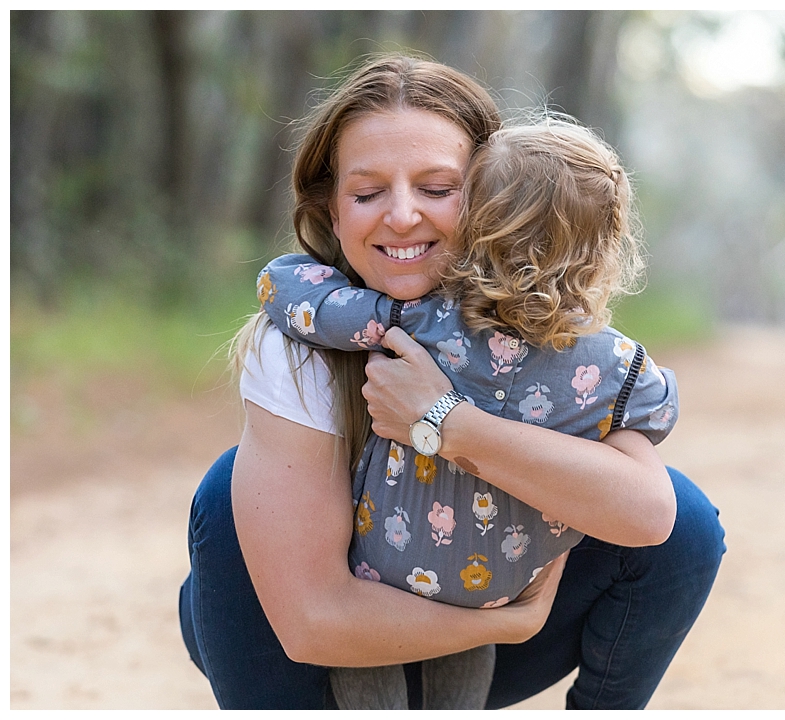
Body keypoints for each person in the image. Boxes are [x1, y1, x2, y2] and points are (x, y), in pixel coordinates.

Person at [179, 53, 726, 710]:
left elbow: (648, 513)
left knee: (686, 519)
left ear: (502, 195)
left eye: (439, 189)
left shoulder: (543, 332)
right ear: (330, 208)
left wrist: (446, 420)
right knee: (225, 493)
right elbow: (309, 623)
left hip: (496, 629)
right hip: (325, 652)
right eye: (367, 192)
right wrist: (504, 622)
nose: (403, 216)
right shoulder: (302, 341)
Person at [257, 117, 680, 708]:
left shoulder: (425, 321)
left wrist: (278, 276)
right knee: (466, 678)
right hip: (499, 585)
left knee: (362, 675)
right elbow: (659, 411)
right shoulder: (616, 365)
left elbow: (304, 301)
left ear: (480, 225)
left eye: (438, 191)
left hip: (383, 572)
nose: (406, 215)